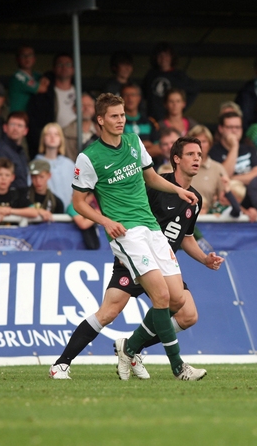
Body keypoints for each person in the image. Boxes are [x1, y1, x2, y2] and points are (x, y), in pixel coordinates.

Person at [50, 136, 224, 380]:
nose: (197, 159)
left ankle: (130, 348)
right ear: (176, 159)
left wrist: (205, 259)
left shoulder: (194, 199)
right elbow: (134, 218)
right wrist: (125, 250)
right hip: (134, 258)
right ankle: (62, 363)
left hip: (162, 262)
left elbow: (186, 237)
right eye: (191, 154)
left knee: (187, 313)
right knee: (109, 313)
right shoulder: (156, 185)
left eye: (199, 154)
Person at [70, 93, 206, 381]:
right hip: (129, 240)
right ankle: (176, 367)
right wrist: (106, 221)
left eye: (123, 115)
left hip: (151, 238)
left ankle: (129, 349)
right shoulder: (90, 156)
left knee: (178, 302)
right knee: (116, 310)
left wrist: (179, 192)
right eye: (115, 116)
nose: (121, 120)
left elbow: (151, 177)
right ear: (100, 120)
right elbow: (78, 202)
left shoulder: (134, 142)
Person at [27, 53, 75, 156]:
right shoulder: (43, 95)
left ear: (74, 69)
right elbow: (34, 124)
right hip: (52, 144)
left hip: (76, 142)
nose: (63, 67)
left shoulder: (81, 92)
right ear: (53, 69)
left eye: (68, 65)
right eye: (60, 64)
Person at [141, 42, 199, 122]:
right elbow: (142, 95)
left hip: (170, 120)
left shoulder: (179, 76)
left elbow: (194, 89)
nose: (163, 58)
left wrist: (181, 107)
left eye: (166, 55)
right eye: (160, 56)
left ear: (172, 57)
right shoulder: (151, 75)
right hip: (152, 119)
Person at [209, 112, 257, 186]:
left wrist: (232, 178)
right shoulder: (213, 150)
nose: (234, 131)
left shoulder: (249, 148)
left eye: (238, 127)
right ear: (221, 129)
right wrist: (234, 147)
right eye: (230, 127)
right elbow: (223, 175)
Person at [34, 123, 75, 208]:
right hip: (45, 215)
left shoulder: (70, 165)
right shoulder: (36, 164)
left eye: (56, 134)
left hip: (69, 216)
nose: (52, 137)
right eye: (48, 134)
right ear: (43, 138)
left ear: (61, 139)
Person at [0, 112, 31, 190]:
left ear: (25, 131)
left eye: (20, 125)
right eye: (12, 124)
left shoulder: (21, 151)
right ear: (5, 128)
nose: (15, 128)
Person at [188, 125, 227, 210]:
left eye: (204, 141)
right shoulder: (178, 165)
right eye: (196, 141)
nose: (200, 145)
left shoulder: (218, 168)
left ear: (210, 144)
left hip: (207, 220)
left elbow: (225, 200)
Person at [121, 83, 158, 158]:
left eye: (133, 95)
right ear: (121, 98)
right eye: (126, 95)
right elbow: (122, 151)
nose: (130, 98)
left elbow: (158, 149)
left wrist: (134, 148)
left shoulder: (149, 122)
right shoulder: (117, 122)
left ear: (139, 98)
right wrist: (144, 144)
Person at [8, 45, 49, 112]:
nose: (27, 58)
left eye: (30, 55)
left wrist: (45, 77)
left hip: (29, 117)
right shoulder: (18, 76)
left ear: (34, 59)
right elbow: (43, 89)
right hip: (17, 117)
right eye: (23, 56)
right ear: (17, 59)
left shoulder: (36, 75)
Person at [63, 92, 99, 161]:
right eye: (82, 105)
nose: (86, 108)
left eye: (89, 105)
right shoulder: (65, 132)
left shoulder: (100, 131)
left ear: (94, 109)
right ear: (74, 108)